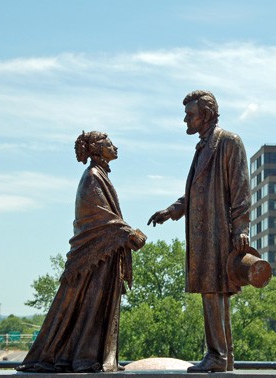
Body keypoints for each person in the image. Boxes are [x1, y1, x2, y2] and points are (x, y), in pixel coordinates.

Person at [17, 131, 146, 373]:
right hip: (92, 255)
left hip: (102, 254)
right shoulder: (91, 178)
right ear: (97, 149)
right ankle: (78, 357)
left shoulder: (100, 176)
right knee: (88, 304)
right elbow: (98, 217)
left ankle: (88, 355)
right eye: (109, 144)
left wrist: (123, 233)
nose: (115, 147)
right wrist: (128, 233)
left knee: (94, 304)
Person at [148, 90, 251, 373]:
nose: (185, 120)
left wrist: (241, 228)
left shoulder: (228, 142)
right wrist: (172, 211)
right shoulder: (202, 148)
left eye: (190, 114)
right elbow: (193, 192)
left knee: (214, 290)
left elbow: (241, 190)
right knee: (211, 291)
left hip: (220, 232)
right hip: (202, 234)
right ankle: (222, 356)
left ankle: (218, 355)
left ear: (204, 115)